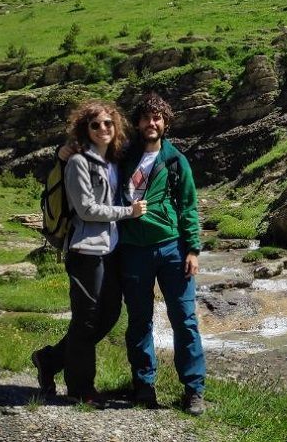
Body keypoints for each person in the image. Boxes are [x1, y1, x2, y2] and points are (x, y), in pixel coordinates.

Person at [32, 99, 147, 403]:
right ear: (85, 129)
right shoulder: (78, 162)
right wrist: (129, 212)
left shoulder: (114, 161)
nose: (103, 128)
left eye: (108, 123)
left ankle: (49, 360)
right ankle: (81, 389)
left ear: (116, 126)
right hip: (85, 251)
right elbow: (86, 209)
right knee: (85, 320)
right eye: (95, 124)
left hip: (111, 250)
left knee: (109, 315)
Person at [119, 92, 206, 416]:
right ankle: (143, 385)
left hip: (172, 248)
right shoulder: (123, 158)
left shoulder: (175, 160)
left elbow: (189, 206)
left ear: (165, 123)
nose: (151, 123)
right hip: (132, 249)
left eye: (157, 118)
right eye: (146, 118)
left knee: (184, 319)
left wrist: (193, 249)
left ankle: (194, 390)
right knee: (139, 320)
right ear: (138, 123)